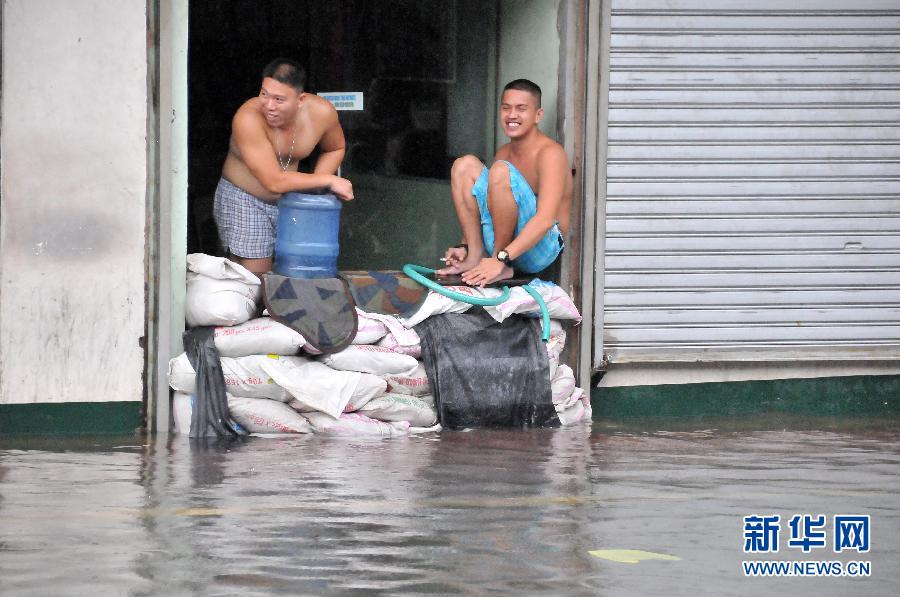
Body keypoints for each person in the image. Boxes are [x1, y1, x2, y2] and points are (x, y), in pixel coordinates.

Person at [214, 58, 354, 275]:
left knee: (295, 270)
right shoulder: (248, 117)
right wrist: (327, 181)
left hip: (291, 201)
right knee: (258, 279)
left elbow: (335, 148)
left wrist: (314, 189)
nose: (269, 105)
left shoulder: (322, 113)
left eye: (279, 99)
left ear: (301, 99)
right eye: (264, 94)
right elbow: (273, 181)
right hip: (245, 198)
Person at [437, 79, 572, 287]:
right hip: (506, 247)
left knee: (500, 170)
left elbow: (546, 220)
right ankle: (474, 255)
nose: (512, 115)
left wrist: (501, 258)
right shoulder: (504, 152)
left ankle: (500, 265)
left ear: (538, 115)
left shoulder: (551, 153)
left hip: (540, 249)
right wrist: (463, 246)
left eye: (521, 109)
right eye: (506, 108)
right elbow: (489, 206)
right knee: (464, 165)